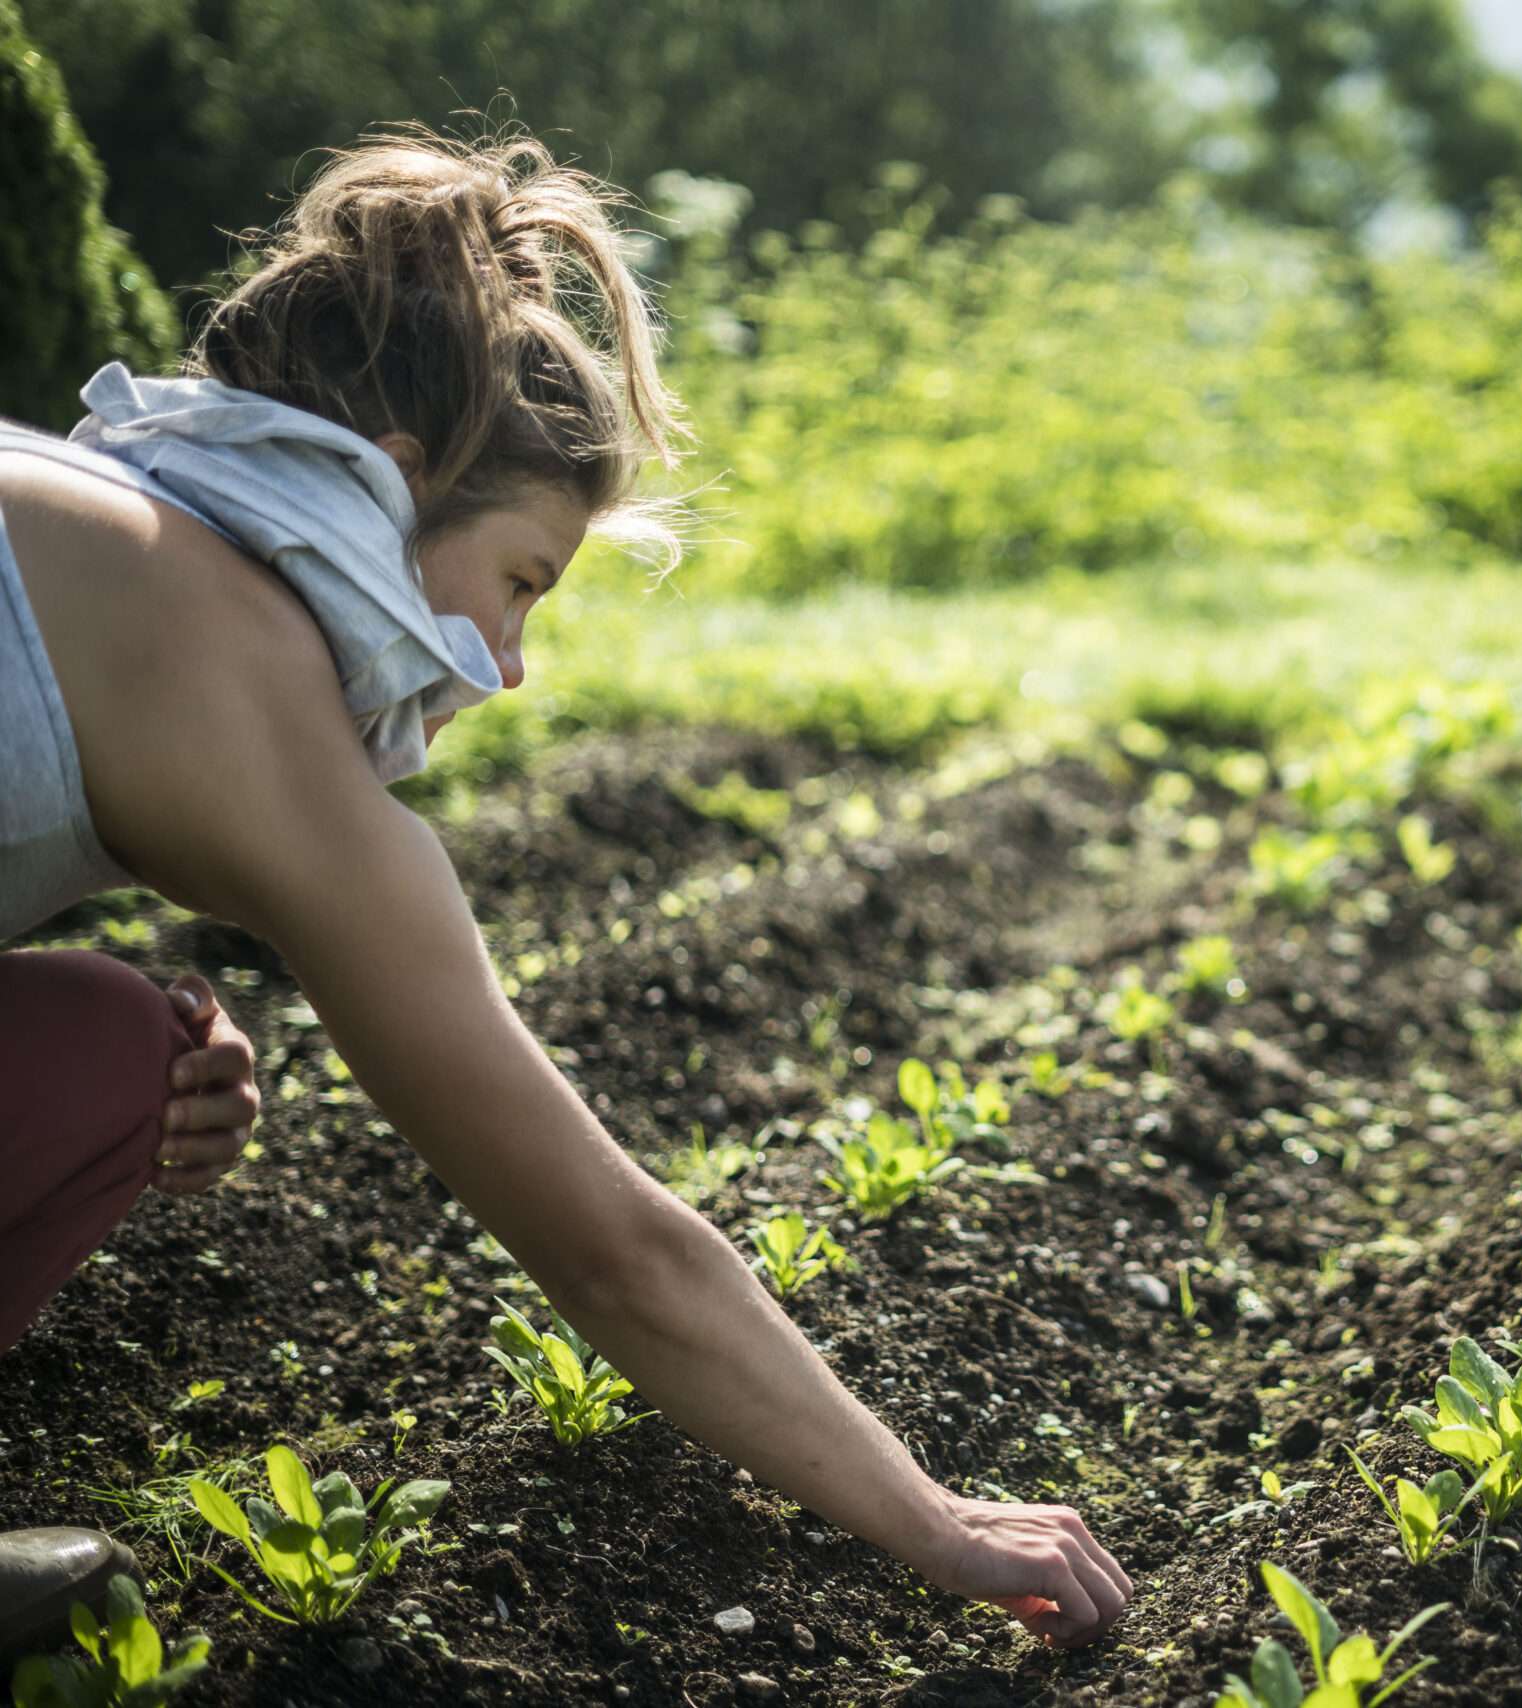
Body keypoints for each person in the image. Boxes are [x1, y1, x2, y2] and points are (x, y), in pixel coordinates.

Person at [0, 126, 1130, 1660]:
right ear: (395, 489)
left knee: (112, 1056)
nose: (515, 669)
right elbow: (613, 1249)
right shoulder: (242, 673)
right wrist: (931, 1520)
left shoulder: (97, 517)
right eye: (523, 580)